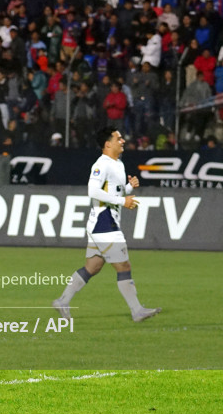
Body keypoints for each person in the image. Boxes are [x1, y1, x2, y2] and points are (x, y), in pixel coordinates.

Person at [52, 127, 161, 322]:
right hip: (105, 223)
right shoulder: (101, 164)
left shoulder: (117, 163)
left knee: (92, 267)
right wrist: (122, 201)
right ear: (107, 144)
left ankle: (62, 301)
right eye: (118, 138)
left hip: (101, 223)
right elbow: (93, 191)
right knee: (123, 265)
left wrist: (128, 188)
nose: (123, 141)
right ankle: (137, 311)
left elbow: (113, 192)